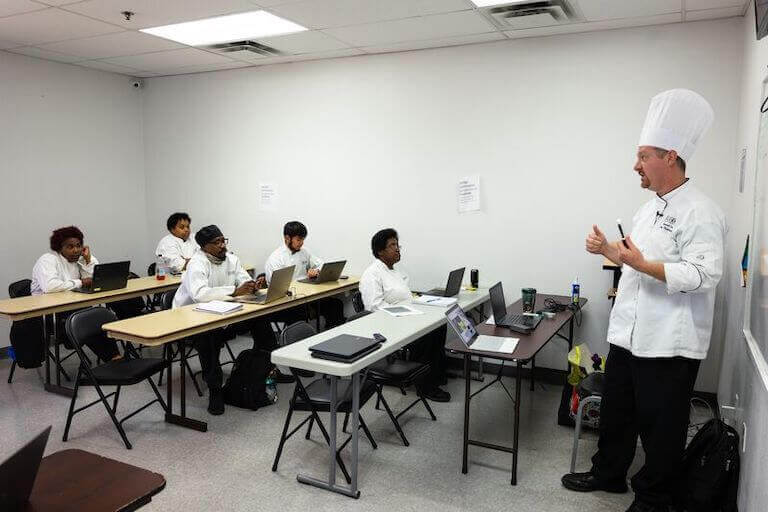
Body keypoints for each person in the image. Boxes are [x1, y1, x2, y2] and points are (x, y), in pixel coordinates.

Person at [561, 89, 727, 512]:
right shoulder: (647, 208)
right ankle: (608, 473)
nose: (635, 165)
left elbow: (704, 275)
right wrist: (606, 250)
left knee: (661, 428)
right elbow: (632, 256)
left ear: (669, 157)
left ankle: (654, 499)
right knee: (618, 414)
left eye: (643, 156)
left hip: (669, 343)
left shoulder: (701, 212)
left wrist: (642, 264)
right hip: (628, 336)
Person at [173, 225, 278, 415]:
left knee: (260, 320)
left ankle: (265, 368)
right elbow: (199, 294)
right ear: (204, 247)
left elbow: (243, 280)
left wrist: (253, 286)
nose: (222, 245)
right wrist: (234, 291)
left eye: (223, 240)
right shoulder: (197, 263)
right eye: (217, 242)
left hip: (225, 311)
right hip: (192, 318)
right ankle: (215, 389)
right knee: (209, 338)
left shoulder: (231, 259)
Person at [359, 228, 451, 402]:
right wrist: (405, 313)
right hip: (387, 324)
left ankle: (436, 375)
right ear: (380, 251)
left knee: (439, 326)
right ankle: (425, 386)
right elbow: (373, 307)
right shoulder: (372, 274)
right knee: (426, 335)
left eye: (397, 244)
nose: (397, 248)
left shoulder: (395, 270)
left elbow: (404, 296)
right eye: (392, 245)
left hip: (406, 317)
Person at [31, 226, 122, 362]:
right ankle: (113, 358)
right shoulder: (48, 260)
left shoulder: (78, 259)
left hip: (72, 306)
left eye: (79, 246)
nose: (76, 250)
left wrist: (88, 260)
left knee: (99, 315)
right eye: (70, 247)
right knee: (91, 319)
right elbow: (50, 286)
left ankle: (114, 357)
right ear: (59, 248)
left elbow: (94, 279)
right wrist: (81, 282)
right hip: (49, 314)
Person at [264, 221, 345, 329]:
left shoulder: (304, 252)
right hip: (286, 302)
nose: (301, 243)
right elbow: (277, 287)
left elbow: (321, 264)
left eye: (303, 239)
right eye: (298, 239)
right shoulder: (276, 258)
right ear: (287, 238)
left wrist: (316, 271)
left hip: (305, 297)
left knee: (335, 304)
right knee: (299, 312)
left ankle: (333, 336)